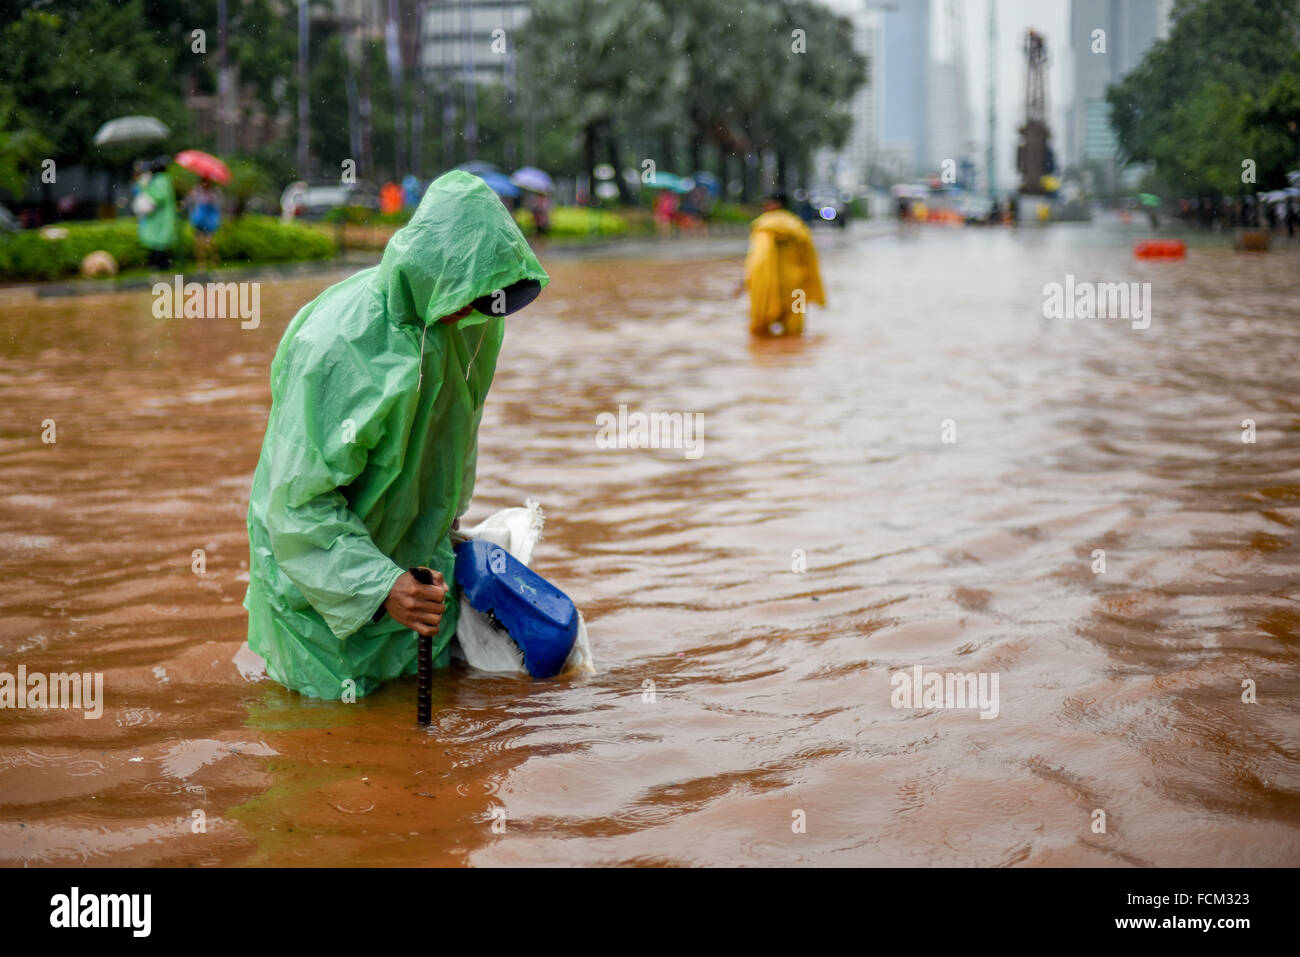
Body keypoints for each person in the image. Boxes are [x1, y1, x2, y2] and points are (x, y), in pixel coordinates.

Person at [243, 171, 549, 700]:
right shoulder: (338, 346)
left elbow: (455, 434)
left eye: (487, 302)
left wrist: (448, 522)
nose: (476, 314)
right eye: (472, 298)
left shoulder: (471, 322)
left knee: (410, 750)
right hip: (322, 593)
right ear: (436, 272)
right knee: (326, 747)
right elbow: (296, 504)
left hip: (418, 574)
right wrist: (379, 585)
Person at [739, 192, 825, 337]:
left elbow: (758, 258)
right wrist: (814, 285)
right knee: (795, 332)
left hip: (769, 283)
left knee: (760, 331)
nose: (764, 208)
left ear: (776, 204)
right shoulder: (798, 225)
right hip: (796, 285)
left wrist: (746, 280)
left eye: (767, 204)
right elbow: (810, 258)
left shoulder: (764, 225)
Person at [134, 156, 177, 270]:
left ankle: (161, 265)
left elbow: (159, 196)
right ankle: (158, 264)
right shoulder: (164, 179)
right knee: (158, 243)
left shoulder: (161, 180)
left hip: (160, 218)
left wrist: (146, 188)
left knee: (159, 243)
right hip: (159, 217)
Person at [186, 178, 222, 267]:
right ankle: (201, 262)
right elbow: (189, 201)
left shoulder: (214, 193)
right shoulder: (196, 191)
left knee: (209, 241)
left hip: (209, 221)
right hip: (199, 219)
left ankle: (214, 258)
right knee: (198, 242)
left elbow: (218, 206)